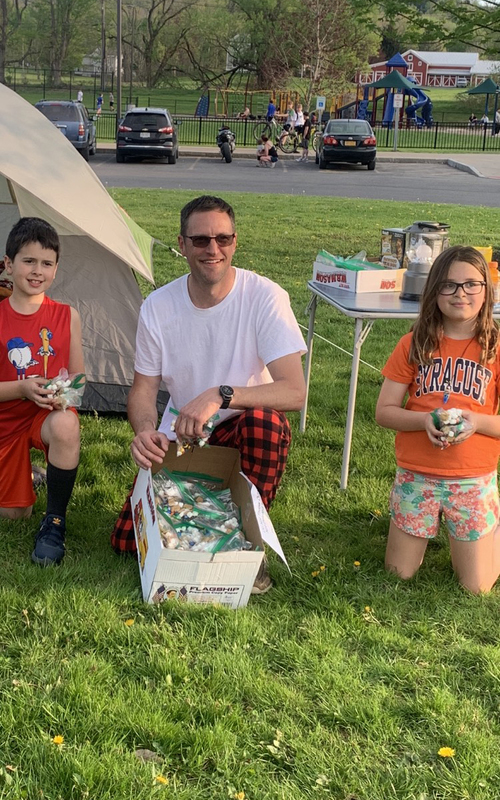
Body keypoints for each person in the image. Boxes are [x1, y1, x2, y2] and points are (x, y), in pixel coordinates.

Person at [111, 195, 306, 593]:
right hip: (182, 436)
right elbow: (143, 391)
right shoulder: (158, 306)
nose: (212, 249)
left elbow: (294, 392)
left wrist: (222, 394)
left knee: (266, 425)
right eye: (200, 240)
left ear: (235, 242)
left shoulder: (265, 297)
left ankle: (247, 546)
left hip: (241, 433)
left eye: (222, 238)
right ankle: (204, 522)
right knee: (125, 542)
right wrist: (146, 432)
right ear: (181, 244)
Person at [376, 245, 500, 594]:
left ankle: (492, 525)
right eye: (449, 285)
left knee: (476, 588)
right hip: (418, 476)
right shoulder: (414, 343)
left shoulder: (496, 348)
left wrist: (476, 422)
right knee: (397, 575)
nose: (460, 293)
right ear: (434, 291)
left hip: (471, 479)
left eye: (471, 284)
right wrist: (424, 420)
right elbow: (384, 411)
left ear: (486, 290)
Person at [0, 218, 85, 566]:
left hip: (44, 416)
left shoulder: (68, 315)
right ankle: (31, 474)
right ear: (8, 264)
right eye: (28, 261)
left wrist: (63, 394)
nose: (37, 271)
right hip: (5, 421)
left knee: (66, 424)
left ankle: (54, 521)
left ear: (56, 268)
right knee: (13, 514)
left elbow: (79, 378)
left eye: (46, 263)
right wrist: (22, 387)